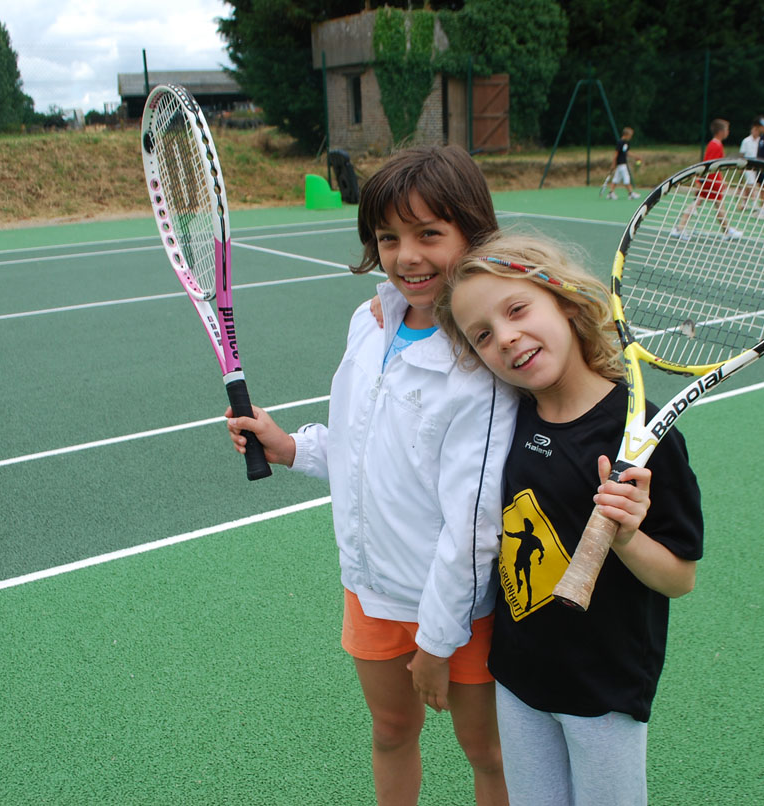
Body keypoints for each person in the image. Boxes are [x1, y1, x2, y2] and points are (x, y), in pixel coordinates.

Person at [225, 145, 517, 806]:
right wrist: (291, 447)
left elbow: (475, 526)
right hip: (370, 590)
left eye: (429, 234)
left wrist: (439, 643)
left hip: (461, 612)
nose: (407, 255)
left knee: (490, 755)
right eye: (389, 237)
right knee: (390, 733)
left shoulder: (481, 362)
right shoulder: (370, 321)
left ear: (472, 232)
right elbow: (363, 450)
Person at [435, 233, 704, 806]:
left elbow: (680, 577)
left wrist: (628, 537)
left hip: (602, 690)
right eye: (482, 335)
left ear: (564, 301)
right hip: (517, 677)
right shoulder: (507, 419)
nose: (505, 337)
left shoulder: (645, 436)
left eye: (517, 309)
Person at [670, 118, 742, 240]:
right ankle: (727, 231)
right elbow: (709, 166)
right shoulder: (715, 145)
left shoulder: (715, 144)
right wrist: (705, 181)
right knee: (717, 206)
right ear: (721, 131)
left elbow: (715, 166)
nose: (728, 132)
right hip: (711, 182)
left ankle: (679, 228)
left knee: (702, 203)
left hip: (711, 181)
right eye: (727, 129)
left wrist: (719, 179)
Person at [607, 127, 641, 201]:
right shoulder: (620, 142)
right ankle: (631, 193)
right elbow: (616, 154)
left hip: (622, 164)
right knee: (626, 178)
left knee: (616, 179)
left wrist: (636, 157)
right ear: (626, 134)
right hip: (621, 164)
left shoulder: (626, 143)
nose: (631, 137)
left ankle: (610, 193)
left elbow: (627, 152)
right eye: (630, 135)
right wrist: (613, 163)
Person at [737, 119, 762, 211]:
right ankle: (754, 203)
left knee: (750, 185)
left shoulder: (760, 140)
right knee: (752, 184)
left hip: (758, 165)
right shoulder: (746, 141)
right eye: (753, 129)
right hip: (748, 165)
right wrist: (741, 166)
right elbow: (742, 154)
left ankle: (744, 202)